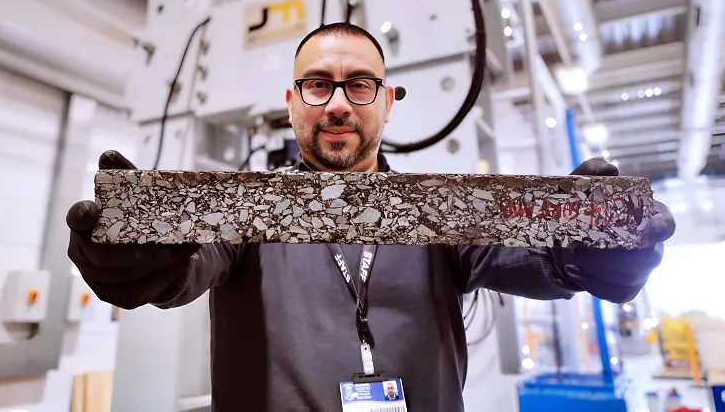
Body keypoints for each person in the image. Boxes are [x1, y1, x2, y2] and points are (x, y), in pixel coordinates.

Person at [67, 23, 675, 412]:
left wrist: (587, 254)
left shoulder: (441, 213)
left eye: (359, 86)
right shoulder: (247, 211)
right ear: (291, 103)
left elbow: (530, 257)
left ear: (385, 102)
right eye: (316, 85)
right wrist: (143, 265)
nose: (336, 104)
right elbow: (190, 264)